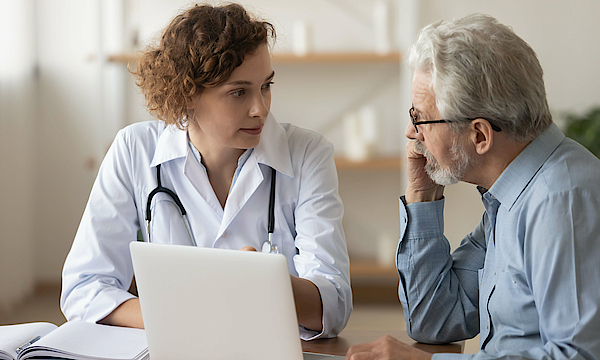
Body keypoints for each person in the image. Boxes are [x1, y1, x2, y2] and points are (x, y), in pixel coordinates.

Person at [60, 3, 352, 340]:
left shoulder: (306, 154)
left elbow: (334, 303)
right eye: (239, 92)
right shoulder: (133, 150)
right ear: (186, 94)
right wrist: (185, 316)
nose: (260, 109)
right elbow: (84, 289)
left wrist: (267, 284)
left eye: (266, 86)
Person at [346, 14, 600, 360]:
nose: (411, 133)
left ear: (479, 135)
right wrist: (422, 195)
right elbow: (434, 320)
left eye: (420, 117)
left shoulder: (561, 201)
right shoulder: (508, 196)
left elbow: (579, 357)